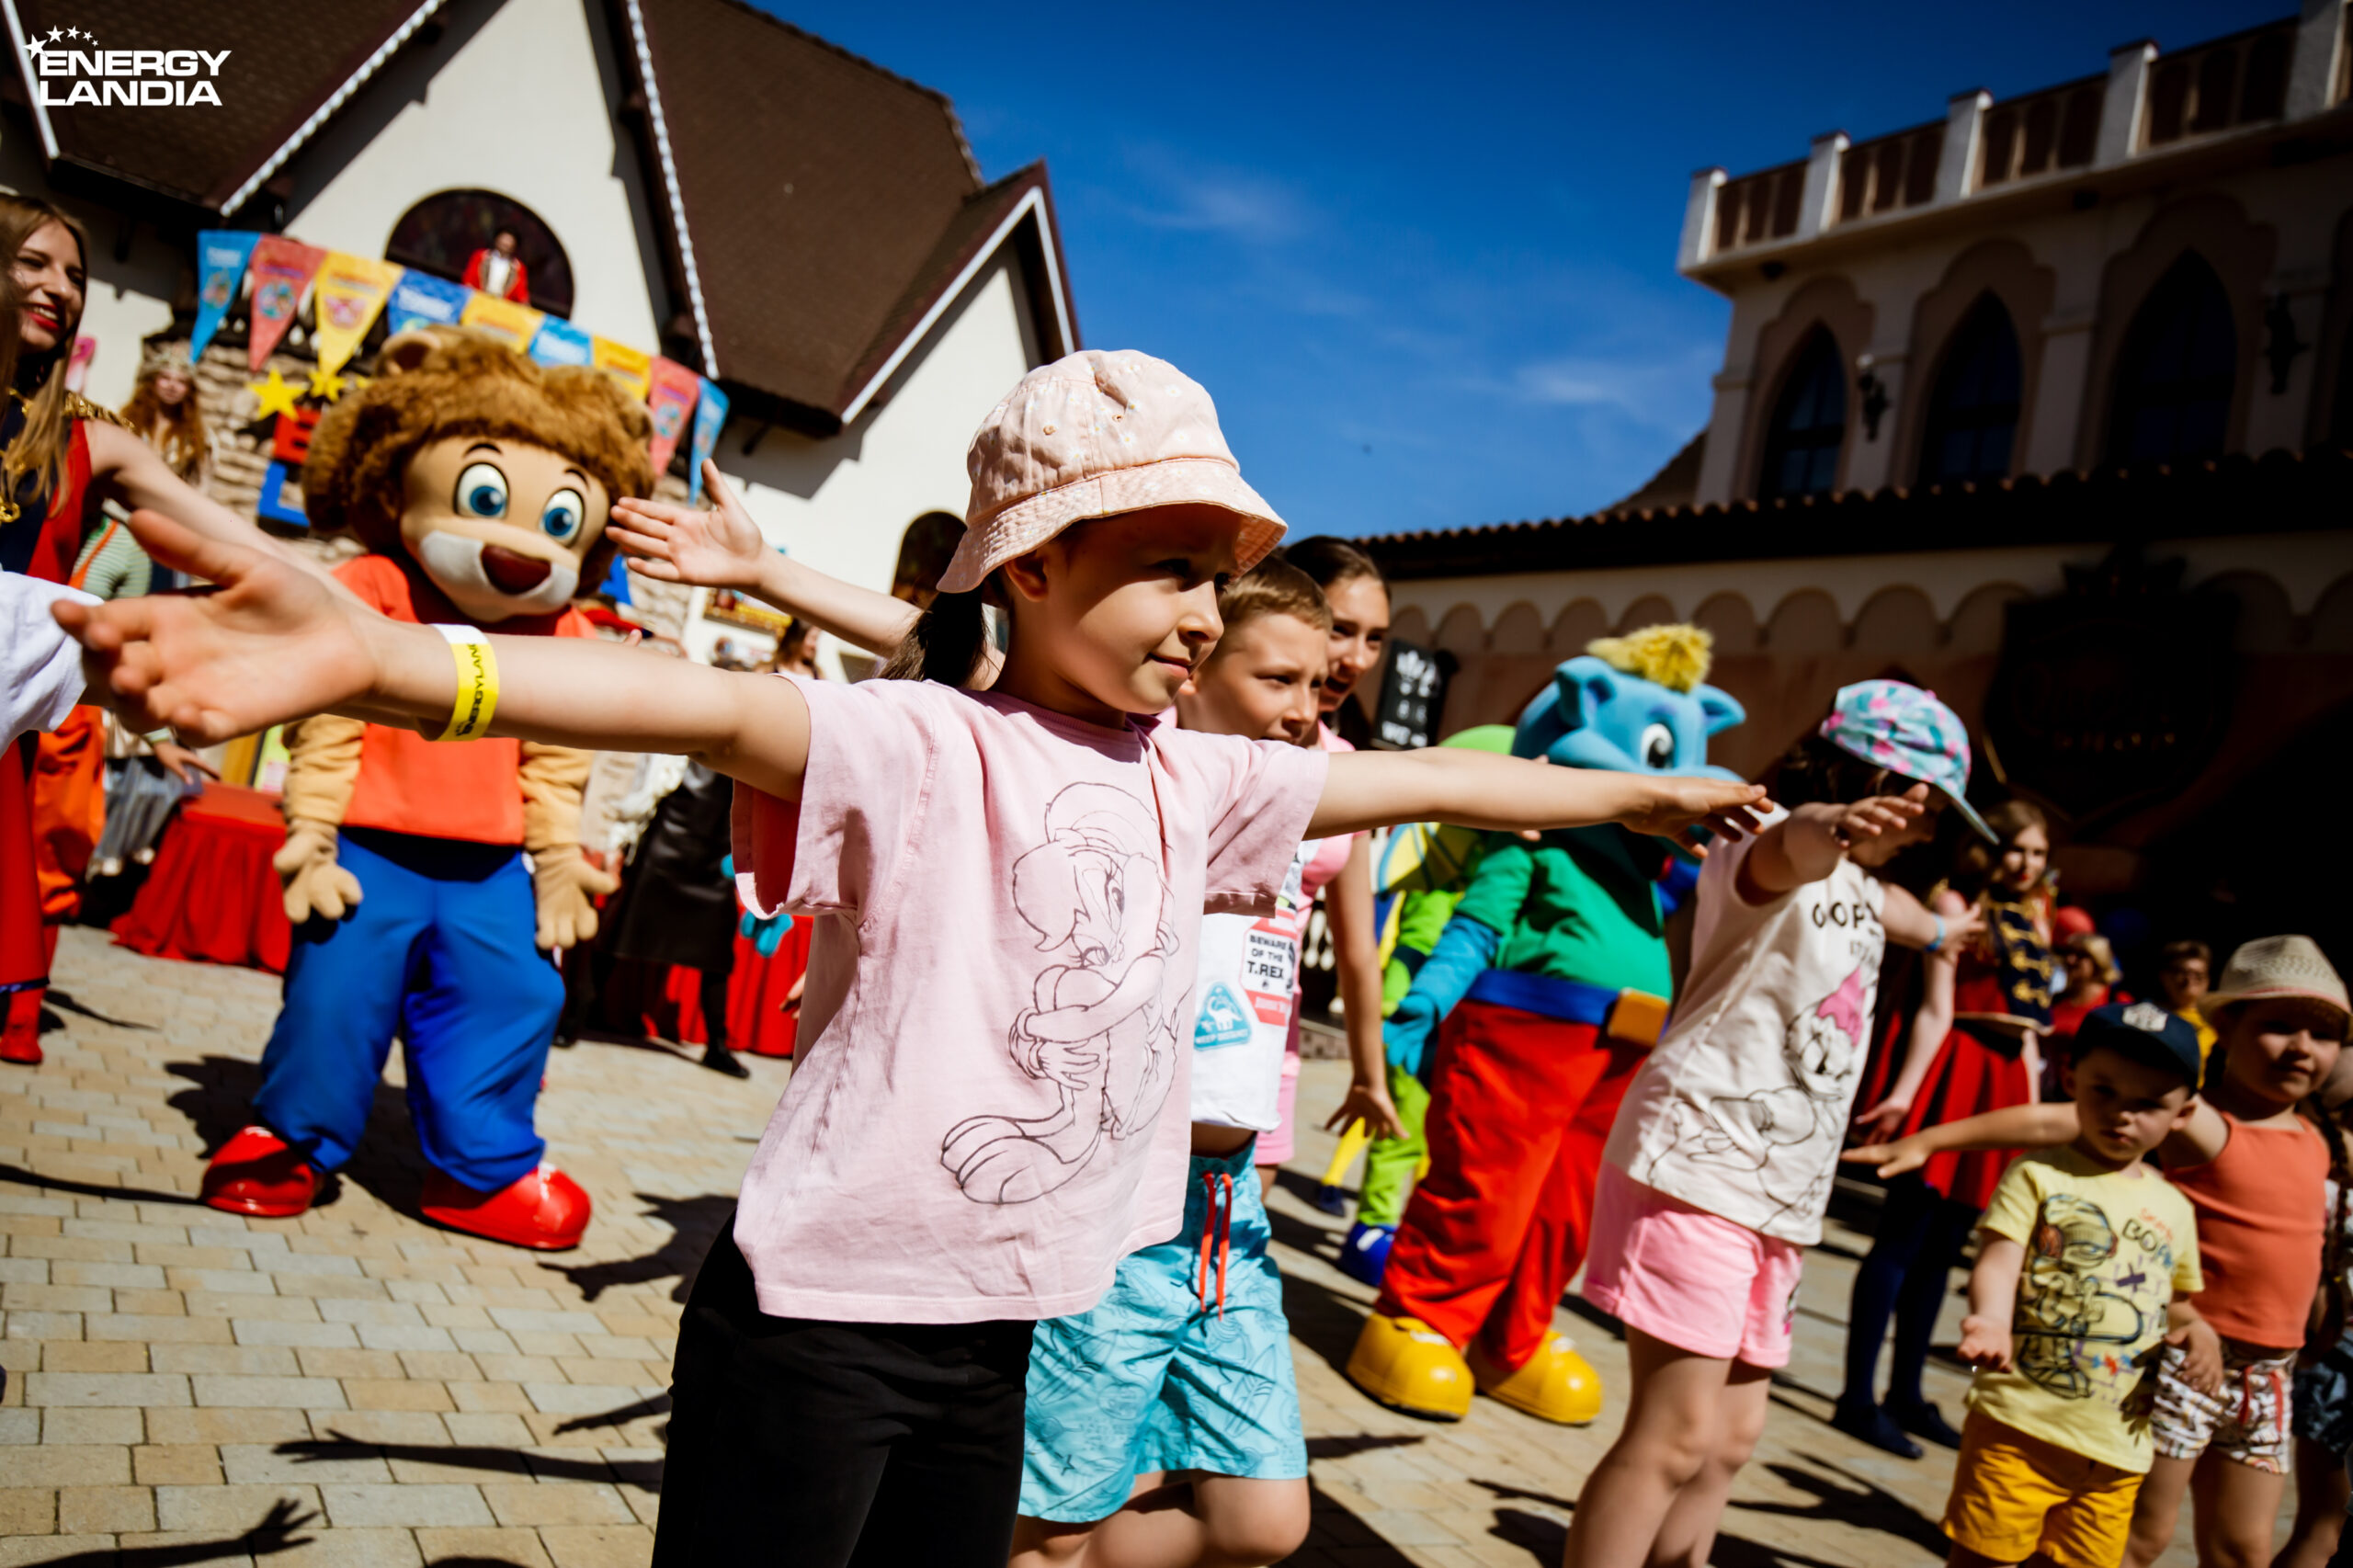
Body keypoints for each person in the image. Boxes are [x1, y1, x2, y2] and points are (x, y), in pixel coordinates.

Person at [64, 347, 1768, 1568]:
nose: (1205, 613)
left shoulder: (1200, 772)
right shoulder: (922, 739)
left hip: (1006, 1323)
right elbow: (699, 699)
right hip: (819, 1319)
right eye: (1170, 568)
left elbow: (1436, 773)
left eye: (1218, 578)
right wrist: (388, 658)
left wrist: (1642, 786)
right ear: (1031, 571)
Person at [1015, 557, 1399, 1568]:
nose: (1305, 708)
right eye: (1277, 681)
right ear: (1197, 665)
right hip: (1121, 1188)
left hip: (1231, 1205)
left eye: (1315, 686)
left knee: (1262, 1520)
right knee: (1060, 1517)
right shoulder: (1136, 767)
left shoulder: (1313, 779)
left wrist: (1369, 1064)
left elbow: (1363, 931)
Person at [1560, 680, 1986, 1568]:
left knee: (1728, 1443)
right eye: (1933, 809)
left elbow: (1910, 918)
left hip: (1782, 1195)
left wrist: (1950, 933)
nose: (1931, 831)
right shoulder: (1763, 843)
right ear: (1892, 786)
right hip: (1699, 1164)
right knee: (1673, 1436)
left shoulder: (1869, 893)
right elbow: (1795, 841)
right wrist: (1832, 821)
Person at [1850, 936, 2351, 1568]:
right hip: (2180, 1360)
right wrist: (1933, 1142)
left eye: (2323, 1034)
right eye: (2279, 1026)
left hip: (2270, 1375)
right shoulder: (2198, 1122)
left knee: (2244, 1549)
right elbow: (2053, 1122)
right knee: (2138, 1536)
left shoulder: (2320, 1138)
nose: (2302, 1047)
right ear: (2226, 1027)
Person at [0, 194, 332, 1066]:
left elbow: (234, 537)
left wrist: (370, 602)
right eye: (34, 263)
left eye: (76, 274)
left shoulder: (84, 441)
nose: (60, 287)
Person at [1922, 1002, 2211, 1568]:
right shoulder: (2038, 1174)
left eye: (2148, 1103)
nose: (2122, 1115)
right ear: (2072, 1081)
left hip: (2118, 1449)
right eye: (2105, 1091)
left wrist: (2200, 1334)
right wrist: (1990, 1320)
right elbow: (1999, 1261)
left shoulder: (2175, 1209)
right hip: (2019, 1424)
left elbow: (2175, 1306)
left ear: (2183, 1113)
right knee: (1984, 1560)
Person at [1841, 801, 2058, 1457]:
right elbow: (1935, 1011)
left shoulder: (2036, 916)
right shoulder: (1957, 901)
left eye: (2039, 853)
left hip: (2004, 1080)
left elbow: (2033, 1029)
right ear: (1987, 847)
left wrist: (2034, 1115)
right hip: (1954, 1070)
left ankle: (1906, 1392)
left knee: (1947, 1249)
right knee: (1902, 1240)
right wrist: (1905, 1097)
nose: (2026, 864)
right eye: (2015, 848)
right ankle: (1856, 1397)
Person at [1256, 540, 1390, 1198]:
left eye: (1376, 639)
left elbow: (1359, 953)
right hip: (1175, 1030)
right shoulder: (1202, 730)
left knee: (1234, 1237)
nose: (1358, 659)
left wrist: (1370, 1075)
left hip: (1271, 1044)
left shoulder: (1348, 766)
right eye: (1342, 630)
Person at [121, 348, 210, 485]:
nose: (172, 386)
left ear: (189, 390)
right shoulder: (125, 419)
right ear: (153, 381)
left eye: (181, 382)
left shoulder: (197, 436)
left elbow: (200, 484)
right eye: (165, 378)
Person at [2158, 938, 2221, 1064]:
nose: (2189, 980)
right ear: (2164, 976)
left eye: (2198, 975)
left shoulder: (2218, 1022)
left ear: (2208, 980)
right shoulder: (2146, 1015)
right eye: (2182, 972)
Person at [461, 228, 530, 302]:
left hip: (502, 307)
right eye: (503, 239)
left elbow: (521, 293)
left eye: (509, 241)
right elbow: (468, 280)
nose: (505, 243)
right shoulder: (480, 256)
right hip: (476, 301)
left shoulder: (518, 268)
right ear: (496, 240)